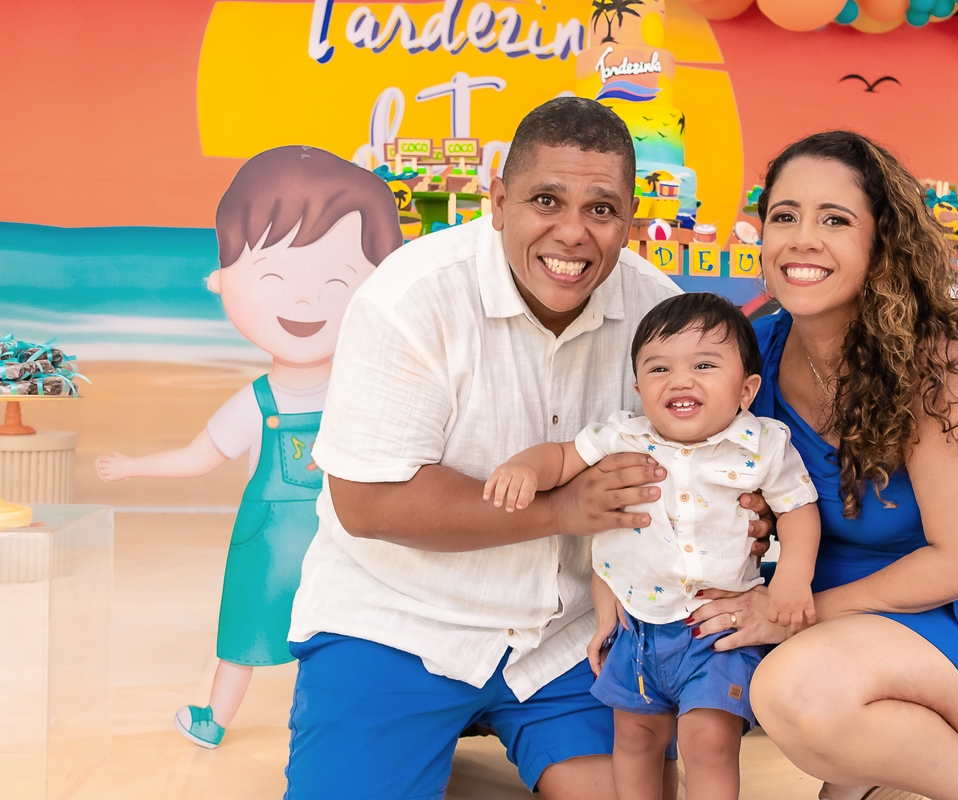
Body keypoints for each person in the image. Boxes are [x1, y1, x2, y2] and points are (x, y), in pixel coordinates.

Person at [283, 97, 772, 800]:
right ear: (499, 201)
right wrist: (562, 506)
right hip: (395, 622)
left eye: (601, 210)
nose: (572, 233)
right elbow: (364, 504)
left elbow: (704, 450)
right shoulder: (409, 300)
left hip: (571, 635)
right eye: (547, 200)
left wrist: (744, 504)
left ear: (630, 222)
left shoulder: (662, 317)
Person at [687, 131, 958, 800]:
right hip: (847, 623)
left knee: (794, 689)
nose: (802, 238)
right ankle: (876, 781)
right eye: (785, 215)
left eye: (834, 220)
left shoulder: (938, 371)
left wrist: (792, 612)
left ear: (882, 243)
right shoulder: (754, 352)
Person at [95, 146, 401, 748]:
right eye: (274, 278)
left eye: (336, 280)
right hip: (282, 543)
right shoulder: (262, 403)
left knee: (330, 632)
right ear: (220, 282)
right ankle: (238, 719)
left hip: (340, 537)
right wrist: (134, 466)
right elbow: (196, 457)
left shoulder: (362, 388)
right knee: (250, 633)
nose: (305, 302)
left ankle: (262, 722)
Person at [485, 292, 821, 800]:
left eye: (705, 364)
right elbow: (560, 456)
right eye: (659, 368)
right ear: (640, 388)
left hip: (715, 626)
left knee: (708, 737)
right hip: (636, 625)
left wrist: (792, 581)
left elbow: (798, 510)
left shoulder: (762, 445)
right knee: (635, 738)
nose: (680, 380)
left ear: (747, 389)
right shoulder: (623, 435)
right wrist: (526, 468)